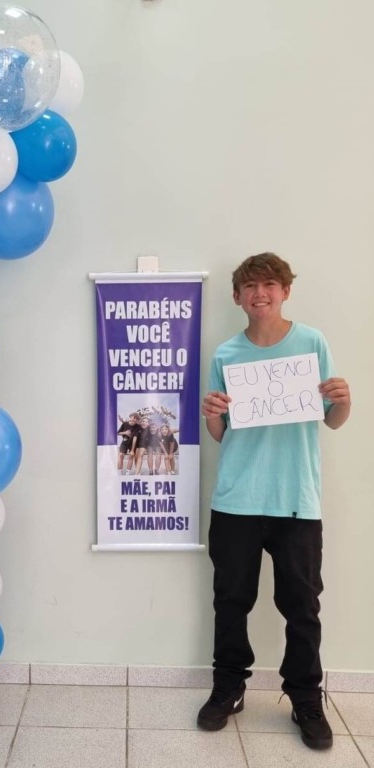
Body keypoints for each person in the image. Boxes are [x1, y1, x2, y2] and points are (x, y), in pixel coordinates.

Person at [196, 253, 351, 751]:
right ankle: (228, 688)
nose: (259, 293)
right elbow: (221, 435)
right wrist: (212, 414)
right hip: (238, 498)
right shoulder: (226, 354)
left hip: (295, 501)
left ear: (285, 291)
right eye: (249, 286)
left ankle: (306, 698)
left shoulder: (312, 343)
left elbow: (331, 419)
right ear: (237, 297)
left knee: (302, 607)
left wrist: (343, 399)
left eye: (269, 284)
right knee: (231, 601)